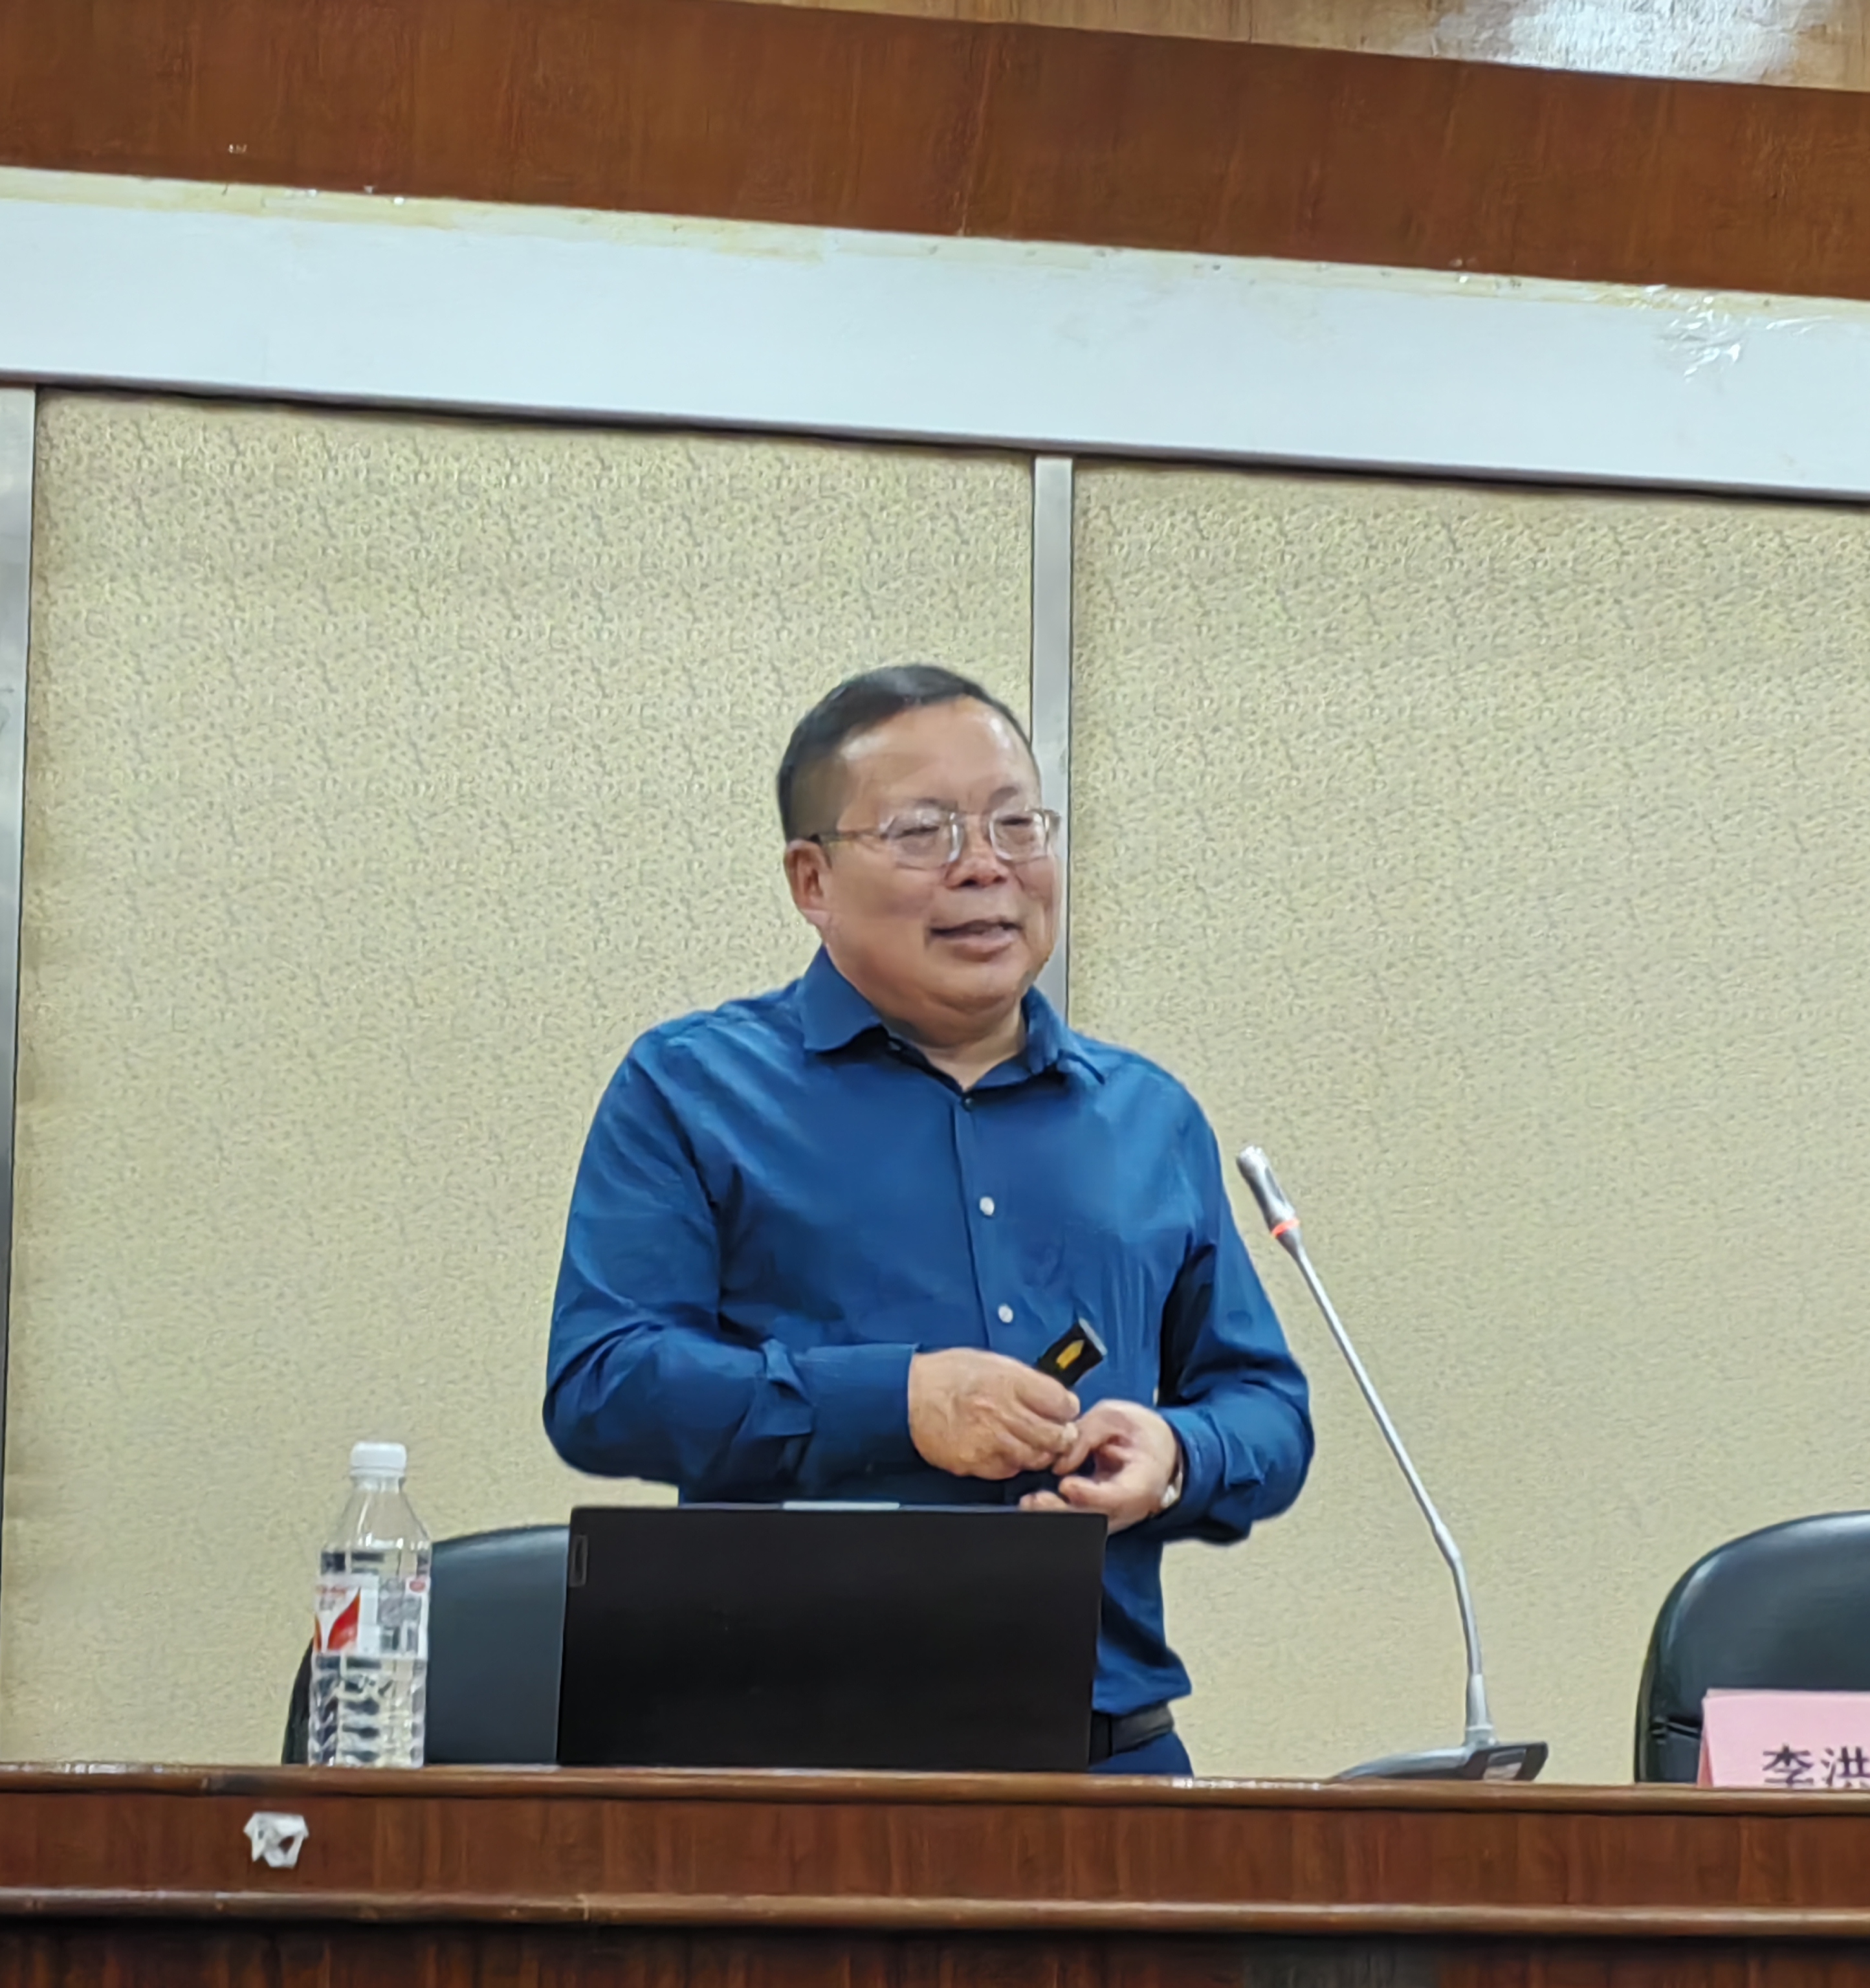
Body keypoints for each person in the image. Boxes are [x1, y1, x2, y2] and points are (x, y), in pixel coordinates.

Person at [545, 665, 1313, 1775]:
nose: (986, 866)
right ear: (812, 879)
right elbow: (603, 1384)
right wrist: (897, 1401)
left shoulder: (1149, 1118)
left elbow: (1267, 1408)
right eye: (924, 832)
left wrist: (1178, 1454)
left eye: (1016, 823)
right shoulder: (693, 1089)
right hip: (785, 1758)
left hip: (1107, 1758)